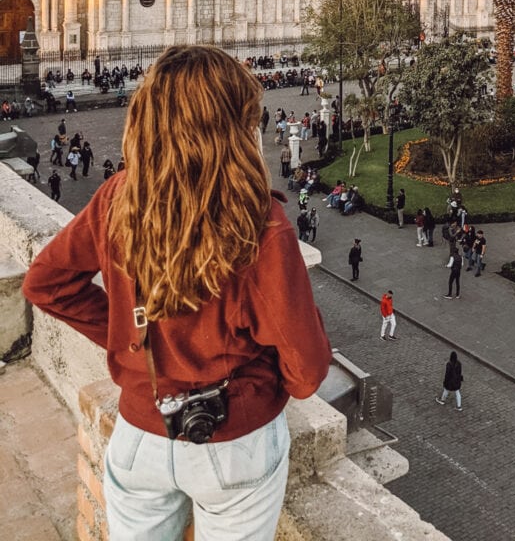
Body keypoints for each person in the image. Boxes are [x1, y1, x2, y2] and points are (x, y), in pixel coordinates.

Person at [23, 44, 332, 541]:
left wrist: (130, 341)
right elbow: (308, 369)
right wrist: (265, 387)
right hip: (237, 444)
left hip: (140, 434)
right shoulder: (260, 225)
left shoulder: (118, 196)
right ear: (234, 127)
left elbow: (46, 284)